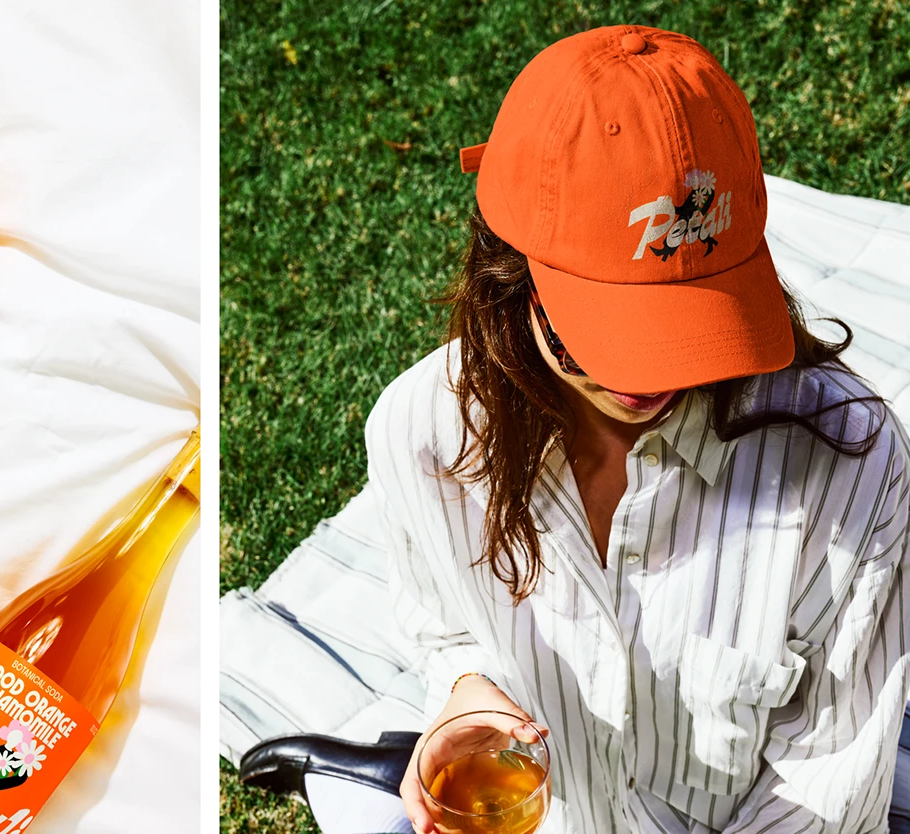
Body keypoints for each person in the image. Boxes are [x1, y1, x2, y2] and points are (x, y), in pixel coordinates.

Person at [237, 24, 910, 834]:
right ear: (507, 271)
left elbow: (832, 790)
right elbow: (447, 627)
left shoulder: (854, 463)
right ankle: (385, 764)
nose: (652, 379)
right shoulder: (421, 434)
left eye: (691, 324)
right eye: (614, 332)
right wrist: (464, 695)